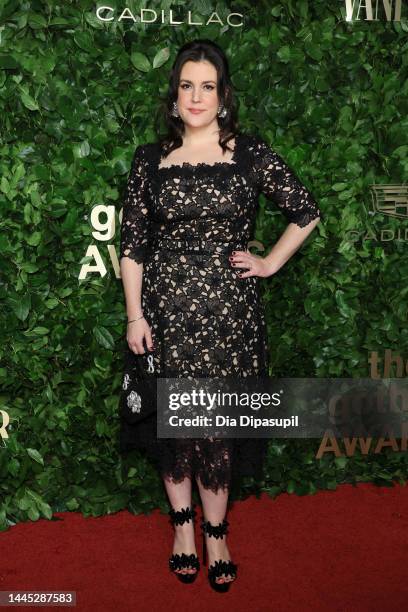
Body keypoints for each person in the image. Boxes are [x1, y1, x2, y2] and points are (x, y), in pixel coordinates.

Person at [118, 38, 322, 593]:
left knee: (215, 429)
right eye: (186, 85)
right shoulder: (149, 160)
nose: (196, 96)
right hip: (165, 312)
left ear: (223, 94)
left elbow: (305, 212)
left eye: (207, 86)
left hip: (230, 316)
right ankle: (183, 528)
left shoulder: (249, 154)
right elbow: (132, 245)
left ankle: (216, 532)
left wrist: (270, 262)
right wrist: (136, 316)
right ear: (174, 94)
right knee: (175, 429)